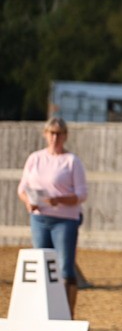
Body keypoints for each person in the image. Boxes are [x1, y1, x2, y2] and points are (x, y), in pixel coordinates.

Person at [17, 117, 89, 317]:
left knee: (65, 266)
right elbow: (22, 188)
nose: (55, 137)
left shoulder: (71, 162)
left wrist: (60, 200)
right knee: (42, 264)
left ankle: (67, 313)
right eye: (51, 133)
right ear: (45, 134)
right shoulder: (35, 159)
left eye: (59, 134)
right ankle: (43, 311)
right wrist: (27, 201)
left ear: (65, 136)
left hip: (65, 219)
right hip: (39, 217)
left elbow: (82, 194)